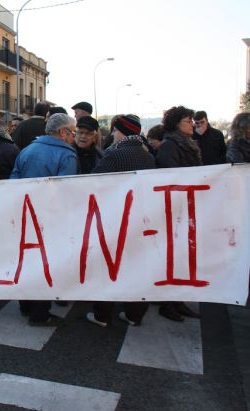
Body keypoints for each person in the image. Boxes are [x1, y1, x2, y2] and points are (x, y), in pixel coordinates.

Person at [85, 114, 155, 327]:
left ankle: (102, 314)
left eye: (114, 130)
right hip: (139, 217)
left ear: (119, 130)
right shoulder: (148, 155)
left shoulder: (115, 154)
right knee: (134, 267)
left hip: (114, 218)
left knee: (108, 266)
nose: (112, 135)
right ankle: (134, 314)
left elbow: (93, 182)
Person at [10, 113, 78, 326]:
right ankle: (40, 313)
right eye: (73, 132)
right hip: (51, 218)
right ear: (63, 132)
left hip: (25, 213)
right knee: (47, 263)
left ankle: (25, 304)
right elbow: (66, 191)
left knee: (28, 259)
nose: (74, 137)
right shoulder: (67, 156)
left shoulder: (27, 150)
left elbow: (13, 180)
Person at [155, 105, 203, 321]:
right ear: (176, 124)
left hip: (187, 208)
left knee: (183, 257)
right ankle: (168, 303)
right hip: (175, 210)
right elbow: (170, 178)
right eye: (187, 120)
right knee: (172, 258)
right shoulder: (170, 146)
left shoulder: (188, 144)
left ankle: (178, 300)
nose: (192, 123)